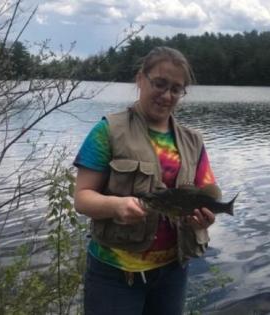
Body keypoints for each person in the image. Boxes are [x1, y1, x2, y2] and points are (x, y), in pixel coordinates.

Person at [73, 46, 218, 315]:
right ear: (141, 79)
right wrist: (116, 206)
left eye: (176, 89)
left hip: (173, 273)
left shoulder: (193, 141)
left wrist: (205, 216)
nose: (166, 95)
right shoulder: (107, 131)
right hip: (114, 275)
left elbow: (207, 195)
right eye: (160, 84)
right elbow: (82, 197)